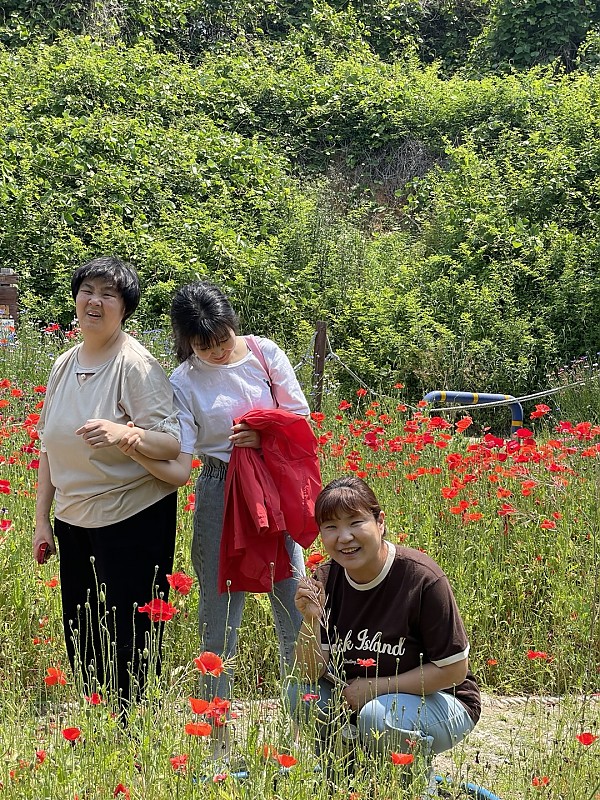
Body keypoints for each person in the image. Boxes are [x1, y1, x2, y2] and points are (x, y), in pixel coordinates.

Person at [130, 280, 315, 709]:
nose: (216, 351)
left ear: (233, 323)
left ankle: (306, 718)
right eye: (203, 345)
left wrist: (263, 434)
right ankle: (215, 727)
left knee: (293, 605)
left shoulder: (264, 354)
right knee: (218, 615)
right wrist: (134, 444)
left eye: (222, 338)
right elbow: (181, 451)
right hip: (219, 489)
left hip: (272, 488)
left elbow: (299, 416)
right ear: (186, 342)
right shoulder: (183, 381)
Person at [32, 256, 181, 714]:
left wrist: (125, 434)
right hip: (72, 517)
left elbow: (171, 443)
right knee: (81, 628)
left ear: (125, 308)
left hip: (131, 515)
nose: (95, 301)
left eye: (108, 295)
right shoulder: (64, 363)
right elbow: (48, 446)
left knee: (130, 633)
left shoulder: (135, 365)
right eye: (88, 291)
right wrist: (41, 520)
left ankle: (133, 724)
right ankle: (98, 719)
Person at [290, 476, 480, 793]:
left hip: (442, 702)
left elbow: (454, 671)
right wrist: (310, 620)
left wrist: (375, 688)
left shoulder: (421, 578)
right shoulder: (325, 578)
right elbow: (308, 673)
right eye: (331, 527)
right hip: (358, 699)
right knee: (300, 695)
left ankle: (414, 789)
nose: (344, 537)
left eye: (355, 522)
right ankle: (341, 780)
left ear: (380, 522)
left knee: (377, 716)